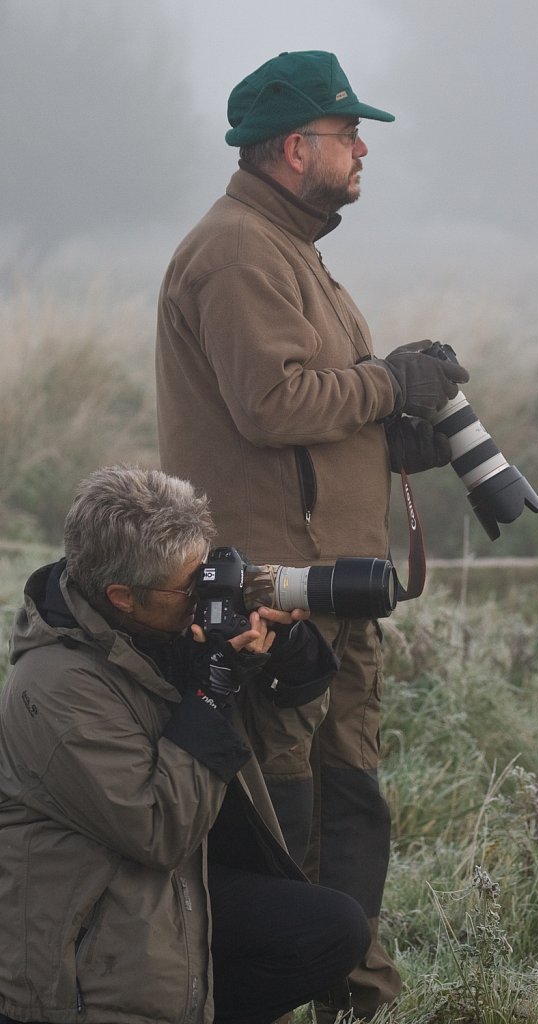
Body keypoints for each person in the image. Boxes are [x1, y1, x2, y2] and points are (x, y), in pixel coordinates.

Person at [156, 50, 469, 1021]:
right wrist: (389, 385)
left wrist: (391, 434)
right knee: (288, 811)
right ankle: (297, 989)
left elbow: (313, 418)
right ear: (296, 147)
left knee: (350, 800)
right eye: (347, 134)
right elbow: (270, 403)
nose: (361, 147)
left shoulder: (290, 247)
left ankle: (353, 989)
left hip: (336, 588)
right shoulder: (238, 251)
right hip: (274, 602)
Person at [0, 465, 371, 1024]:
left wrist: (288, 660)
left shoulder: (160, 630)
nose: (208, 594)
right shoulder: (56, 685)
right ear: (122, 595)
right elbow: (157, 829)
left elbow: (255, 749)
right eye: (190, 585)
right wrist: (211, 689)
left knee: (331, 929)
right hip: (88, 918)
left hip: (167, 875)